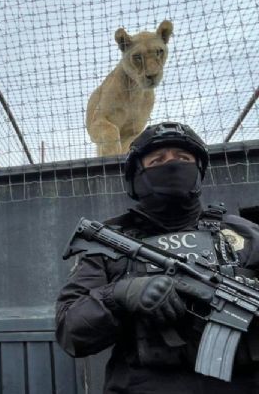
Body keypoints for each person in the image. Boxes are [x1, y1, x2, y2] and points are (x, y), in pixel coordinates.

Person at [55, 122, 259, 393]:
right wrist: (119, 295)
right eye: (158, 160)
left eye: (183, 158)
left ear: (198, 170)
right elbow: (71, 332)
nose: (172, 165)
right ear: (136, 176)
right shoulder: (111, 245)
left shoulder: (245, 234)